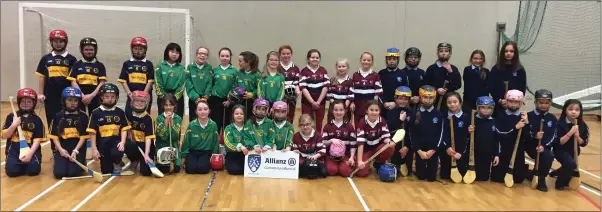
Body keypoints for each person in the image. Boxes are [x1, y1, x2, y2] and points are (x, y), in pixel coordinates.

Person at [35, 29, 78, 152]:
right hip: (51, 96)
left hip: (67, 96)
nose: (58, 44)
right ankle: (55, 149)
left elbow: (73, 79)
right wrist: (40, 93)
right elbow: (42, 77)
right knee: (53, 121)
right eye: (55, 41)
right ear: (51, 42)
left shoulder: (71, 59)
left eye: (61, 41)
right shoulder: (45, 59)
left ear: (65, 42)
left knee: (68, 120)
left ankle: (69, 146)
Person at [87, 83, 132, 174]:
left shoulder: (120, 112)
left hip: (116, 143)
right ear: (101, 97)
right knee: (106, 171)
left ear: (116, 97)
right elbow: (92, 132)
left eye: (113, 96)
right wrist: (94, 149)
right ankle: (113, 161)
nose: (110, 99)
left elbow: (124, 128)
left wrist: (122, 142)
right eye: (107, 96)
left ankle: (117, 161)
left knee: (116, 153)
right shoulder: (95, 113)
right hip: (102, 144)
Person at [490, 90, 532, 184]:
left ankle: (525, 170)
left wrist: (527, 123)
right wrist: (516, 128)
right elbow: (499, 134)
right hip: (503, 152)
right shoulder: (500, 116)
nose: (513, 104)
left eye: (516, 102)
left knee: (518, 180)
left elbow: (529, 137)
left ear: (521, 103)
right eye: (511, 101)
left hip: (517, 153)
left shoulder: (523, 118)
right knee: (497, 179)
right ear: (506, 101)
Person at [2, 88, 46, 177]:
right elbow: (5, 136)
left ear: (34, 103)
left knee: (33, 171)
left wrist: (30, 154)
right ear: (18, 103)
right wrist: (14, 125)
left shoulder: (37, 120)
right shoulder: (11, 117)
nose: (25, 104)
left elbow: (37, 141)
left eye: (29, 102)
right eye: (23, 102)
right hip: (14, 151)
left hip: (30, 151)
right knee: (12, 172)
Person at [49, 87, 88, 179]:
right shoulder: (58, 116)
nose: (73, 103)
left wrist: (75, 151)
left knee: (72, 173)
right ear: (64, 101)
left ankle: (82, 160)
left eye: (75, 100)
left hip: (77, 148)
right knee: (59, 174)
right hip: (63, 148)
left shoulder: (83, 117)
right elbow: (54, 136)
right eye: (69, 100)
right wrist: (60, 150)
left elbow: (83, 137)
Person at [553, 99, 589, 190]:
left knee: (570, 166)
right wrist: (570, 133)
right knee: (570, 164)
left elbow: (583, 143)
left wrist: (577, 137)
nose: (574, 112)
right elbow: (559, 142)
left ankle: (559, 171)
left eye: (577, 110)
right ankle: (559, 183)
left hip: (573, 151)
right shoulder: (559, 124)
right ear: (565, 110)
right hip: (560, 150)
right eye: (570, 109)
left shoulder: (583, 125)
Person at [410, 85, 444, 182]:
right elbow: (412, 133)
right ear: (420, 97)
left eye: (431, 98)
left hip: (432, 150)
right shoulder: (414, 113)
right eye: (425, 97)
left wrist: (433, 150)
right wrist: (418, 150)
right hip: (420, 150)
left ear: (434, 98)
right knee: (421, 176)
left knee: (431, 178)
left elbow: (440, 134)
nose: (428, 100)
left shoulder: (438, 114)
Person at [525, 89, 556, 192]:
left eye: (547, 103)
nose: (544, 105)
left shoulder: (552, 118)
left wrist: (544, 146)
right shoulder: (528, 116)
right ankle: (528, 172)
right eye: (541, 102)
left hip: (543, 147)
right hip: (530, 146)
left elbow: (553, 136)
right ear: (535, 102)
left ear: (550, 103)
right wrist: (534, 136)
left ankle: (541, 178)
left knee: (549, 155)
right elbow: (525, 133)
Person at [354, 100, 394, 177]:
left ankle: (379, 162)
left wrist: (389, 142)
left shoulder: (382, 120)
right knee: (361, 173)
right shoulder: (362, 122)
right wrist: (360, 161)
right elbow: (360, 143)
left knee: (390, 147)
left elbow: (385, 136)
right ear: (366, 111)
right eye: (371, 110)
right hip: (366, 149)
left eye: (376, 110)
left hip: (377, 148)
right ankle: (364, 161)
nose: (374, 112)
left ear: (379, 111)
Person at [68, 37, 107, 114]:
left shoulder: (100, 65)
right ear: (81, 50)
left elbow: (102, 82)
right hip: (80, 96)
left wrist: (91, 96)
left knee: (94, 118)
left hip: (95, 97)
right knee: (81, 118)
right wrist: (82, 96)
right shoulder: (77, 64)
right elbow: (73, 81)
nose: (89, 52)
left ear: (95, 50)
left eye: (91, 50)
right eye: (86, 50)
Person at [118, 37, 154, 115]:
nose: (138, 51)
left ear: (145, 50)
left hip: (145, 96)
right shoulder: (127, 64)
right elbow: (123, 81)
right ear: (132, 49)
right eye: (135, 49)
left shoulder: (149, 64)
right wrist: (130, 94)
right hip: (132, 96)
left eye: (141, 49)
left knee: (144, 117)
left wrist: (144, 95)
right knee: (129, 116)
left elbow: (150, 81)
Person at [489, 41, 527, 117]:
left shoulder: (520, 70)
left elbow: (522, 88)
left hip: (514, 104)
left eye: (511, 51)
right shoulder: (496, 68)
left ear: (515, 53)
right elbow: (491, 86)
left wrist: (514, 102)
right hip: (498, 104)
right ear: (502, 53)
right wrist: (500, 100)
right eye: (506, 51)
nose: (508, 53)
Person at [181, 100, 220, 174]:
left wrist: (215, 156)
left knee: (203, 169)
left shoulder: (213, 125)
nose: (203, 112)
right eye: (200, 109)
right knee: (190, 169)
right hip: (193, 152)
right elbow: (186, 142)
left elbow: (215, 142)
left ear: (209, 111)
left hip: (206, 153)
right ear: (196, 112)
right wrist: (183, 156)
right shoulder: (192, 125)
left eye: (205, 109)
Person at [123, 91, 156, 176]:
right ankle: (134, 160)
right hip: (135, 145)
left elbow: (148, 138)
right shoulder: (129, 115)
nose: (139, 103)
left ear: (146, 103)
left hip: (146, 147)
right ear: (132, 102)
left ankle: (147, 158)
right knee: (127, 143)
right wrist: (130, 134)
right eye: (137, 101)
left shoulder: (148, 119)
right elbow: (128, 127)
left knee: (146, 172)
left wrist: (146, 155)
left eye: (142, 101)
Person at [439, 92, 470, 180]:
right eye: (449, 102)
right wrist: (447, 148)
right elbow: (442, 135)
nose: (452, 104)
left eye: (455, 102)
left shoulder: (466, 117)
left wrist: (461, 153)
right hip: (446, 151)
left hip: (460, 153)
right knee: (445, 176)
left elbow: (467, 138)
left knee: (462, 175)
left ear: (460, 102)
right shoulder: (443, 117)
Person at [468, 96, 499, 181]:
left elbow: (496, 140)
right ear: (478, 108)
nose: (486, 110)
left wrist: (496, 154)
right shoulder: (472, 120)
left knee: (483, 178)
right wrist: (468, 131)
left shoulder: (494, 122)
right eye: (483, 108)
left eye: (489, 108)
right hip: (473, 153)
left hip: (487, 154)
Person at [424, 42, 461, 114]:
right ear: (437, 53)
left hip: (449, 104)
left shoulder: (453, 69)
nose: (443, 53)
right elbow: (425, 85)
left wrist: (450, 72)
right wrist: (436, 90)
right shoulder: (431, 68)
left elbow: (458, 85)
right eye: (441, 51)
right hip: (434, 102)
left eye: (446, 51)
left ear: (450, 54)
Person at [322, 100, 356, 177]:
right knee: (331, 171)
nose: (338, 112)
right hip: (331, 156)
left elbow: (353, 144)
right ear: (332, 111)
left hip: (345, 155)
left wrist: (351, 157)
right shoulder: (327, 126)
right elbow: (323, 143)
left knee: (346, 172)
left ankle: (342, 166)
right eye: (336, 110)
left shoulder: (349, 126)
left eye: (341, 110)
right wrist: (331, 141)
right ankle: (331, 164)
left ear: (345, 111)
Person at [299, 49, 330, 129]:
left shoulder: (323, 70)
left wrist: (318, 101)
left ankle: (318, 139)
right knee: (306, 122)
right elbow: (303, 88)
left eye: (317, 57)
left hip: (320, 102)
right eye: (313, 57)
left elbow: (326, 86)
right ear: (308, 59)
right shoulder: (304, 71)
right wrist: (312, 102)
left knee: (319, 123)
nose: (315, 59)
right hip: (307, 102)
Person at [387, 86, 414, 176]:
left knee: (408, 172)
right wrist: (400, 120)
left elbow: (413, 132)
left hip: (407, 146)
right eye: (400, 99)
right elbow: (391, 130)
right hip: (396, 145)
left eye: (405, 99)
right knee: (395, 170)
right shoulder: (391, 112)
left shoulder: (412, 113)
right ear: (395, 99)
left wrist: (407, 147)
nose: (403, 101)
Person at [350, 52, 383, 127]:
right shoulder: (355, 75)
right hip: (358, 107)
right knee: (358, 128)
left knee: (369, 127)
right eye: (364, 60)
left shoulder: (375, 75)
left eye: (369, 60)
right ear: (360, 60)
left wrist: (374, 106)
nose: (366, 62)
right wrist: (352, 102)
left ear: (372, 62)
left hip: (370, 109)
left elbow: (378, 92)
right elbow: (351, 91)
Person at [210, 47, 238, 134]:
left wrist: (230, 100)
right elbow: (211, 85)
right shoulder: (215, 70)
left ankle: (226, 143)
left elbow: (236, 87)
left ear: (230, 57)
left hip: (229, 101)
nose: (224, 58)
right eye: (222, 56)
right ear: (219, 56)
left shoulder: (234, 71)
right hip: (216, 100)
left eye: (227, 56)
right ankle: (215, 143)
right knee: (216, 122)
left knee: (226, 123)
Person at [155, 43, 187, 117]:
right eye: (172, 51)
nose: (174, 54)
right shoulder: (159, 67)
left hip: (177, 99)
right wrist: (164, 97)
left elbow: (182, 84)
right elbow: (157, 83)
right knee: (163, 121)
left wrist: (175, 98)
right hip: (163, 97)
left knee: (177, 121)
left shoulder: (182, 68)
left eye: (177, 52)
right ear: (167, 52)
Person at [292, 114, 327, 179]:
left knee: (324, 172)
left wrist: (315, 156)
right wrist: (295, 151)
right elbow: (295, 149)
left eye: (307, 124)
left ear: (312, 124)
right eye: (302, 125)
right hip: (302, 159)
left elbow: (323, 150)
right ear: (299, 125)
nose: (305, 127)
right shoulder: (296, 136)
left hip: (315, 158)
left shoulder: (318, 136)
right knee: (299, 173)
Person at [154, 93, 182, 174]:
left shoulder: (178, 118)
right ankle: (158, 161)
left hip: (173, 148)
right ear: (163, 106)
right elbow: (163, 137)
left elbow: (175, 137)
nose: (168, 107)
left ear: (175, 105)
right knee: (164, 169)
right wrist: (166, 124)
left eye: (171, 105)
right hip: (162, 147)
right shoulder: (159, 118)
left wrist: (172, 124)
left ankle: (177, 161)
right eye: (166, 105)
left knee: (176, 169)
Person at [186, 47, 213, 121]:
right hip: (194, 99)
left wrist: (205, 97)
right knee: (193, 120)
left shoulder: (209, 68)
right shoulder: (190, 67)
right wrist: (196, 97)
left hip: (206, 99)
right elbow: (188, 83)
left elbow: (210, 83)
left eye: (205, 54)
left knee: (205, 119)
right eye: (200, 53)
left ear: (207, 56)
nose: (202, 56)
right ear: (196, 55)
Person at [278, 45, 301, 124]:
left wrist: (297, 90)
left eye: (288, 53)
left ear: (291, 54)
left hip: (291, 94)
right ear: (280, 54)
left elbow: (296, 82)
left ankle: (289, 129)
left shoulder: (295, 68)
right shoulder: (277, 67)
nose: (286, 55)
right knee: (280, 112)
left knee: (291, 113)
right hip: (280, 94)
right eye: (283, 54)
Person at [223, 105, 249, 175]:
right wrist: (240, 147)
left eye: (241, 114)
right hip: (232, 154)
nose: (239, 115)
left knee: (246, 170)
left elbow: (252, 140)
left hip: (246, 154)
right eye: (236, 114)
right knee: (234, 170)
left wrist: (248, 147)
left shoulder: (248, 128)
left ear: (244, 115)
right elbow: (227, 143)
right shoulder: (228, 128)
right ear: (233, 115)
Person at [379, 48, 403, 116]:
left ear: (398, 60)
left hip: (398, 107)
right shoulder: (381, 73)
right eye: (389, 59)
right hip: (383, 107)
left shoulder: (403, 74)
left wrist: (395, 103)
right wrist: (384, 102)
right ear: (386, 60)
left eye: (394, 59)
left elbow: (405, 91)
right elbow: (379, 90)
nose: (392, 61)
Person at [235, 51, 261, 116]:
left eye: (240, 61)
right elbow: (235, 85)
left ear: (248, 62)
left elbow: (260, 89)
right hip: (240, 102)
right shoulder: (239, 73)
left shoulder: (257, 75)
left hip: (252, 102)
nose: (238, 63)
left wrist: (252, 94)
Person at [327, 58, 353, 123]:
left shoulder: (350, 81)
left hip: (345, 106)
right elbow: (329, 94)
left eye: (343, 66)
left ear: (347, 67)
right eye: (339, 66)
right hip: (333, 106)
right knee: (332, 124)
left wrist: (344, 107)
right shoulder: (332, 80)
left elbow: (350, 95)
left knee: (345, 124)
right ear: (336, 68)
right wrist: (335, 106)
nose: (341, 68)